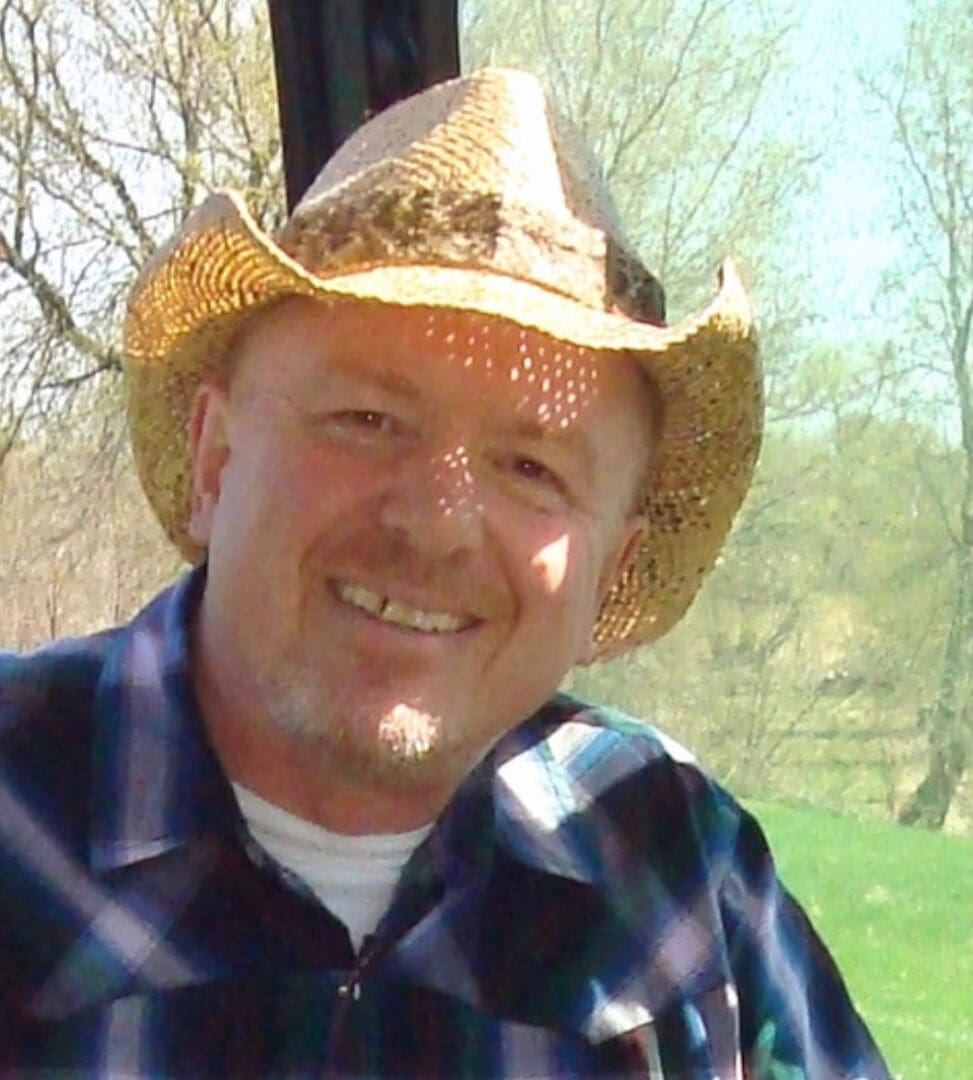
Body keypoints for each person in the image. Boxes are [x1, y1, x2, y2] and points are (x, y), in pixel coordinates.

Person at [0, 67, 890, 1078]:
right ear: (214, 460)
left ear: (612, 568)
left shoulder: (673, 868)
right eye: (366, 421)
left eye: (532, 468)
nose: (436, 525)